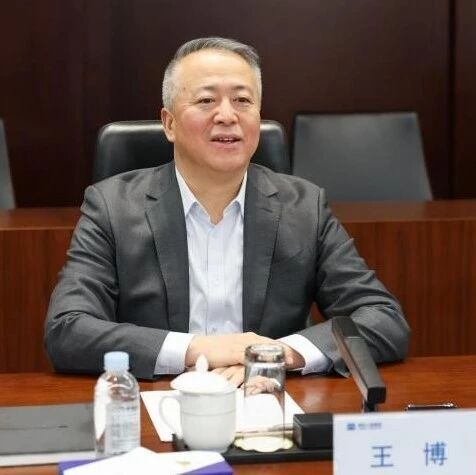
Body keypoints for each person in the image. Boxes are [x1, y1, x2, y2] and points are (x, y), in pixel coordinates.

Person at [44, 37, 410, 382]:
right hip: (159, 401)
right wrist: (198, 349)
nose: (227, 115)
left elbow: (383, 319)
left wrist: (277, 354)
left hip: (266, 397)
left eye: (242, 100)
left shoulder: (303, 208)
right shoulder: (112, 207)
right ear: (169, 123)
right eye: (206, 100)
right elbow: (67, 329)